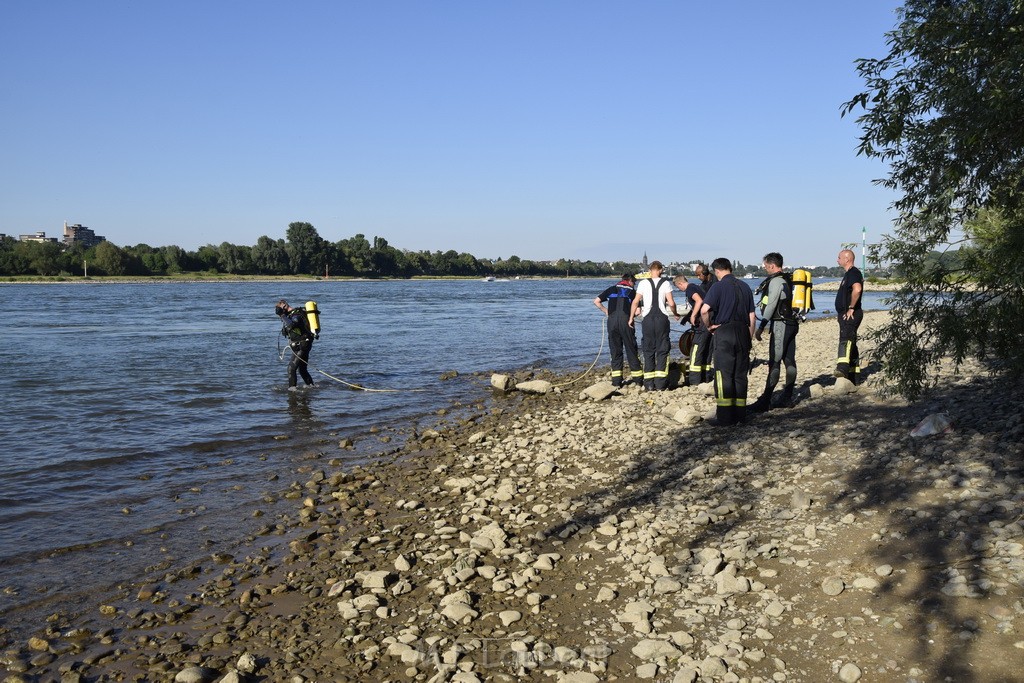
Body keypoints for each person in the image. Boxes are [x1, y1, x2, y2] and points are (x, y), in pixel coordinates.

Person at [700, 258, 755, 425]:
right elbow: (752, 317)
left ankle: (724, 417)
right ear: (730, 268)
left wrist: (709, 326)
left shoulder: (717, 286)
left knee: (723, 375)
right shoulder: (745, 287)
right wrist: (749, 338)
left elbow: (704, 310)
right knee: (740, 376)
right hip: (743, 331)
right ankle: (740, 416)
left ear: (717, 271)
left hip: (724, 331)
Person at [750, 252, 798, 412]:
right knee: (789, 359)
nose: (765, 269)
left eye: (765, 266)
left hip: (780, 325)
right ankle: (787, 396)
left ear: (771, 265)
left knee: (775, 361)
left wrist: (762, 325)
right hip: (791, 324)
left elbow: (771, 305)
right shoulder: (788, 279)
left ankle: (765, 401)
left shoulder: (776, 281)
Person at [628, 261, 678, 391]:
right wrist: (675, 313)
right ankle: (661, 383)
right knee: (662, 349)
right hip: (661, 319)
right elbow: (671, 302)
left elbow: (635, 302)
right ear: (660, 270)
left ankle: (649, 384)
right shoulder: (666, 283)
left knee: (648, 349)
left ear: (650, 270)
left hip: (648, 320)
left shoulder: (643, 283)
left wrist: (631, 318)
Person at [593, 273, 642, 387]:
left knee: (615, 351)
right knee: (631, 349)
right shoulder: (633, 292)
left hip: (612, 322)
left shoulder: (611, 289)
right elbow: (638, 311)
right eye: (634, 283)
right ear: (630, 281)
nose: (634, 285)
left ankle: (616, 381)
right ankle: (638, 380)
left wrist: (606, 311)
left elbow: (596, 301)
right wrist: (631, 318)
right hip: (626, 322)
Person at [672, 275, 709, 386]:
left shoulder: (690, 289)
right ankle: (705, 377)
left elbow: (699, 301)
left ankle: (694, 380)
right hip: (707, 321)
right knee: (706, 349)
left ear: (680, 284)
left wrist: (693, 316)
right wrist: (687, 317)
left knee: (696, 349)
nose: (679, 290)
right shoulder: (696, 287)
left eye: (678, 288)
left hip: (702, 323)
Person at [834, 249, 864, 383]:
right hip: (845, 313)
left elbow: (857, 289)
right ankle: (854, 376)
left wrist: (851, 308)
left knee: (846, 339)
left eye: (839, 257)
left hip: (851, 314)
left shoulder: (853, 273)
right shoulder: (848, 274)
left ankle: (842, 368)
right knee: (852, 343)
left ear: (847, 259)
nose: (837, 260)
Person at [276, 299, 316, 389]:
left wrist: (282, 315)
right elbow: (288, 330)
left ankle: (292, 391)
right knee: (302, 370)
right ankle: (311, 387)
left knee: (291, 368)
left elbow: (292, 325)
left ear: (285, 305)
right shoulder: (289, 316)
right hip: (300, 345)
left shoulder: (297, 314)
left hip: (302, 345)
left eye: (281, 309)